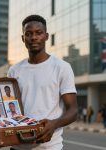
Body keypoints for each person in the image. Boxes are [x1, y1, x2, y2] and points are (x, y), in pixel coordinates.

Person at [7, 15, 77, 150]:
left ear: (46, 36)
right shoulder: (14, 71)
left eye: (38, 33)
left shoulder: (61, 67)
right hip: (18, 145)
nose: (33, 37)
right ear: (23, 39)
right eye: (28, 34)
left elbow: (73, 110)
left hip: (50, 146)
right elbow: (9, 109)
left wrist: (54, 124)